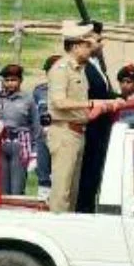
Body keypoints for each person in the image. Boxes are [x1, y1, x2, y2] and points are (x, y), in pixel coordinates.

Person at [47, 22, 95, 213]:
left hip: (77, 132)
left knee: (72, 189)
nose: (89, 49)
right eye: (86, 45)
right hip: (64, 132)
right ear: (75, 46)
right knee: (62, 191)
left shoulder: (79, 70)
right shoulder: (61, 69)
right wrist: (89, 105)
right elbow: (59, 102)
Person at [77, 24, 119, 213]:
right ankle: (83, 211)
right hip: (91, 129)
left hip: (101, 129)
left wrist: (121, 99)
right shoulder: (83, 68)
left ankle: (88, 207)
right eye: (98, 40)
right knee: (87, 175)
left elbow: (105, 92)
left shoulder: (97, 65)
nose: (102, 44)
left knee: (95, 174)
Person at [0, 64, 40, 197]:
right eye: (7, 80)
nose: (10, 83)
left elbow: (35, 126)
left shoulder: (28, 99)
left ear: (20, 81)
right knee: (2, 188)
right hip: (1, 144)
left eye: (14, 80)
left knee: (17, 188)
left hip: (20, 144)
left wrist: (34, 152)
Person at [33, 55, 61, 200]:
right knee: (43, 173)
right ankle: (42, 199)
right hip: (43, 137)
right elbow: (34, 115)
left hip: (61, 136)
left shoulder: (68, 91)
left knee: (60, 175)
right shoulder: (39, 91)